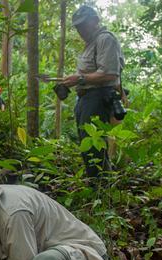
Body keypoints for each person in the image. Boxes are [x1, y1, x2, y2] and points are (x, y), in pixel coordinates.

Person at [62, 5, 124, 180]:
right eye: (78, 26)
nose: (81, 29)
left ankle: (101, 187)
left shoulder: (105, 39)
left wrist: (79, 79)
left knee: (94, 145)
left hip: (98, 98)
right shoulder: (90, 44)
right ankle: (98, 184)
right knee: (88, 143)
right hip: (86, 98)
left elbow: (110, 73)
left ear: (96, 21)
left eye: (84, 24)